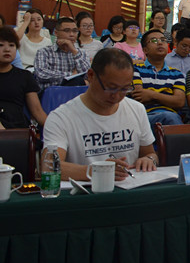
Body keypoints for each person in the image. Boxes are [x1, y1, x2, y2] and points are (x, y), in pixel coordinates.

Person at [41, 48, 158, 182]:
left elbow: (150, 153)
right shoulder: (61, 118)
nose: (116, 96)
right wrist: (98, 171)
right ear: (91, 76)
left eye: (124, 89)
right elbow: (49, 167)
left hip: (129, 186)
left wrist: (149, 159)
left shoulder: (136, 109)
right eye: (111, 88)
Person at [132, 29, 186, 127]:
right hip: (144, 117)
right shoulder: (135, 70)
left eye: (163, 40)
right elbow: (139, 96)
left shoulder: (177, 74)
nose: (160, 43)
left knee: (169, 117)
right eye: (154, 40)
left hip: (171, 117)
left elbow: (179, 102)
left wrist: (152, 95)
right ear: (145, 50)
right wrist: (167, 98)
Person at [0, 26, 46, 128]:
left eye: (11, 45)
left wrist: (58, 130)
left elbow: (37, 112)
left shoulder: (25, 76)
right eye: (1, 45)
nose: (7, 49)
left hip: (16, 126)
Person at [34, 17, 91, 91]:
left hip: (76, 93)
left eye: (75, 31)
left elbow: (88, 75)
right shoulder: (44, 52)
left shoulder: (81, 53)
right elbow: (41, 74)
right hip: (51, 93)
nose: (72, 34)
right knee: (78, 81)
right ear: (56, 33)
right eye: (67, 31)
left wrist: (73, 51)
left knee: (79, 82)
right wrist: (71, 75)